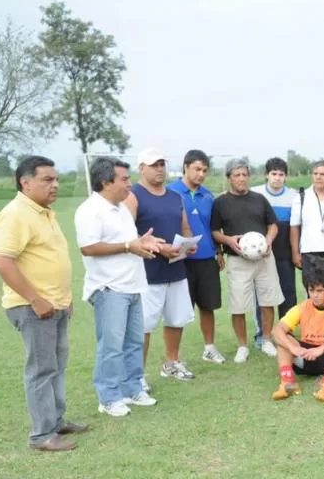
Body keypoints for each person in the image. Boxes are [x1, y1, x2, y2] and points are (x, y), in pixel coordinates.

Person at [0, 156, 86, 451]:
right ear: (26, 182)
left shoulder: (44, 213)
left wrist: (64, 298)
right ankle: (42, 435)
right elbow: (3, 263)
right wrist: (36, 299)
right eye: (47, 180)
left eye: (56, 179)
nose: (55, 185)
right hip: (32, 306)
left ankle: (56, 421)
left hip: (55, 304)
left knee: (57, 365)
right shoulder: (16, 214)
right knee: (41, 369)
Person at [75, 157, 163, 418]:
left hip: (133, 285)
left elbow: (127, 241)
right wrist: (128, 246)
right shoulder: (90, 210)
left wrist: (141, 241)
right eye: (124, 179)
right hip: (109, 288)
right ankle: (109, 397)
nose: (129, 184)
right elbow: (88, 247)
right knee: (111, 346)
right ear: (106, 182)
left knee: (134, 342)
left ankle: (132, 389)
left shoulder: (122, 208)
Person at [125, 148, 196, 387]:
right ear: (141, 168)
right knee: (143, 325)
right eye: (153, 165)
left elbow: (184, 226)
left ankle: (172, 363)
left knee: (176, 319)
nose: (159, 169)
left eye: (161, 164)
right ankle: (138, 375)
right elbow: (126, 232)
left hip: (176, 269)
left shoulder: (176, 197)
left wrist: (189, 243)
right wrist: (159, 248)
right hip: (147, 273)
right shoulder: (133, 195)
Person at [210, 157, 284, 362]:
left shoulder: (259, 199)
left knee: (268, 300)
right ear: (229, 178)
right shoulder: (220, 203)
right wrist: (228, 241)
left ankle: (267, 340)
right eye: (237, 175)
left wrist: (268, 240)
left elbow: (273, 225)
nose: (242, 179)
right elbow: (214, 231)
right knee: (238, 305)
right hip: (237, 260)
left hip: (264, 259)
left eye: (245, 175)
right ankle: (242, 346)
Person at [168, 150, 226, 364]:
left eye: (204, 170)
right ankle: (175, 357)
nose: (201, 174)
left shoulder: (209, 196)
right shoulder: (170, 192)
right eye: (197, 169)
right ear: (185, 167)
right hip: (180, 261)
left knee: (207, 306)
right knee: (179, 310)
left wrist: (218, 251)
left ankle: (209, 348)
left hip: (206, 259)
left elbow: (213, 227)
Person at [271, 266, 324, 402]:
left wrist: (321, 349)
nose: (315, 295)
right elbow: (277, 330)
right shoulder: (302, 307)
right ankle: (288, 382)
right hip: (308, 356)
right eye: (311, 290)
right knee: (283, 339)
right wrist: (293, 348)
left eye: (319, 291)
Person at [252, 157, 301, 341]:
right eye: (274, 174)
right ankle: (261, 334)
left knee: (288, 294)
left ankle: (286, 332)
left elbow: (296, 226)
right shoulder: (255, 194)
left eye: (281, 174)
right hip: (262, 255)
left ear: (286, 177)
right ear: (266, 175)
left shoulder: (294, 196)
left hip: (285, 254)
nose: (277, 178)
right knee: (262, 296)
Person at [292, 160, 324, 284]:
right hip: (309, 253)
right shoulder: (301, 197)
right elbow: (294, 227)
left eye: (323, 174)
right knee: (313, 293)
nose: (318, 177)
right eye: (315, 173)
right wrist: (295, 253)